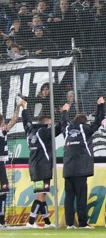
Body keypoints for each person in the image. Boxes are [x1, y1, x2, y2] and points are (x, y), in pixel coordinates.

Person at [60, 96, 106, 228]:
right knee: (81, 197)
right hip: (81, 168)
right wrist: (101, 106)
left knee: (69, 197)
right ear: (84, 122)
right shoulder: (85, 129)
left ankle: (69, 223)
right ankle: (82, 223)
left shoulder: (68, 130)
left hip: (68, 169)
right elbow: (98, 122)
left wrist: (65, 111)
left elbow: (63, 122)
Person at [21, 95, 53, 228]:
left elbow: (26, 121)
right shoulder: (44, 132)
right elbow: (58, 130)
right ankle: (31, 222)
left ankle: (47, 222)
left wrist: (25, 108)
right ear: (47, 124)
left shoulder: (30, 131)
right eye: (50, 123)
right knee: (40, 196)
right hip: (43, 168)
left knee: (43, 195)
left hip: (34, 167)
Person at [0, 97, 22, 227]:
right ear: (2, 122)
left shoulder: (2, 131)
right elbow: (14, 120)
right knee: (4, 190)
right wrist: (18, 106)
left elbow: (13, 120)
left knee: (4, 191)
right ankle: (1, 221)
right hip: (0, 165)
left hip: (2, 164)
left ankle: (1, 221)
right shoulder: (2, 131)